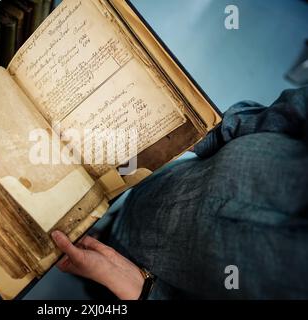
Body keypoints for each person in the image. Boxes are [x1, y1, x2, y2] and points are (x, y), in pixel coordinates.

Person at [51, 87, 308, 299]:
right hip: (161, 186)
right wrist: (189, 134)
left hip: (141, 278)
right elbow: (285, 113)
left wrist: (143, 292)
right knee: (109, 216)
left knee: (88, 271)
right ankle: (108, 227)